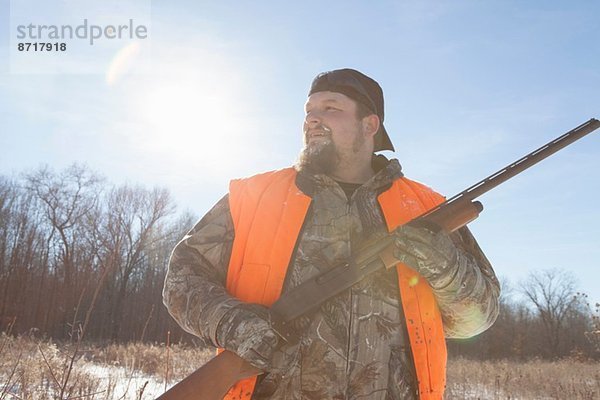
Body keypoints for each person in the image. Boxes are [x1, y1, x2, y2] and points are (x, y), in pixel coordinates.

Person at [163, 68, 500, 400]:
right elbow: (182, 278)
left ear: (370, 125)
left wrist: (446, 268)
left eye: (331, 108)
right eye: (309, 111)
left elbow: (477, 319)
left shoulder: (424, 208)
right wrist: (231, 323)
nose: (312, 119)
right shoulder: (255, 196)